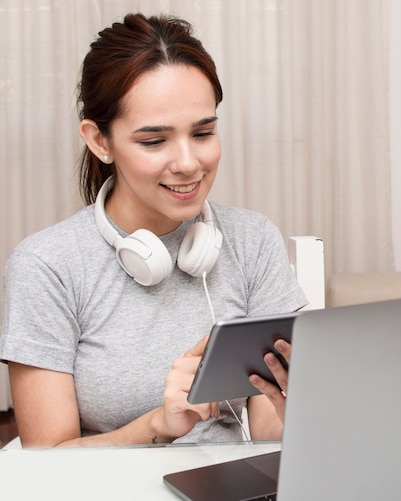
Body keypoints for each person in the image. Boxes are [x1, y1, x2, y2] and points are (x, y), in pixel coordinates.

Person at [0, 13, 307, 447]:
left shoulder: (252, 240)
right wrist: (156, 426)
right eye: (153, 141)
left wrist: (296, 408)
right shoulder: (46, 266)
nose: (187, 163)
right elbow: (49, 459)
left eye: (203, 132)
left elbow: (269, 432)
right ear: (99, 141)